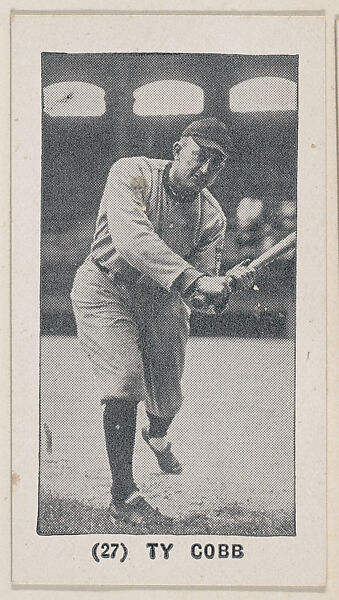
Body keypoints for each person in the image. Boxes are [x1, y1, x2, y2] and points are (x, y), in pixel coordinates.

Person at [71, 117, 255, 527]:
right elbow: (132, 241)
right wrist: (196, 280)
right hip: (106, 286)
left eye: (217, 163)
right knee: (124, 381)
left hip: (161, 302)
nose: (206, 169)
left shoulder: (213, 217)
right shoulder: (131, 173)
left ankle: (157, 436)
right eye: (200, 156)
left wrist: (224, 287)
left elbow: (202, 296)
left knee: (168, 400)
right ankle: (124, 494)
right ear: (177, 149)